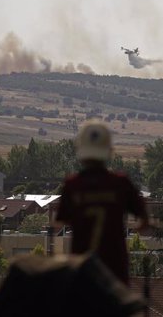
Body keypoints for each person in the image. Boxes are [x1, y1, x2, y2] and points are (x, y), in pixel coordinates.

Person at [55, 121, 149, 284]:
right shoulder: (120, 183)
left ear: (80, 151)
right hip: (114, 270)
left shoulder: (73, 185)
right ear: (108, 151)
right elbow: (144, 219)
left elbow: (60, 221)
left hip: (82, 270)